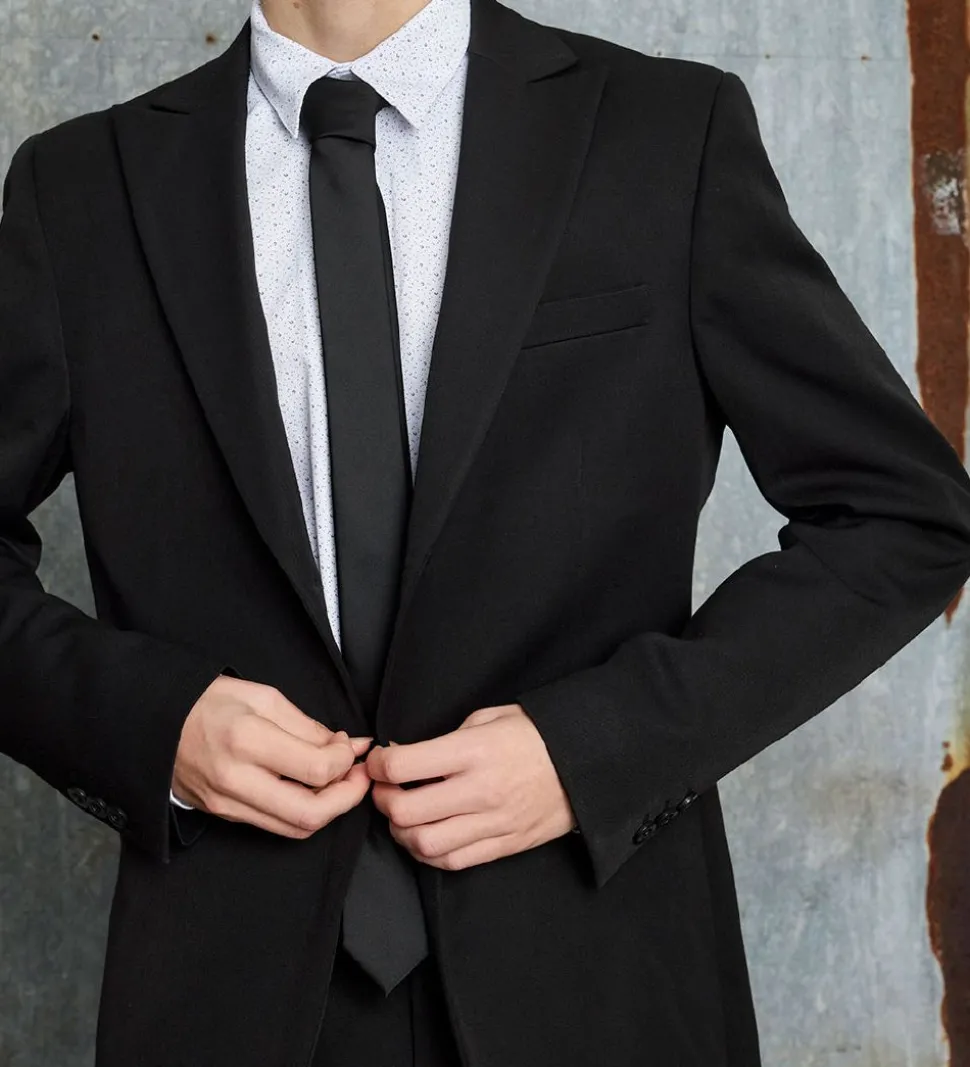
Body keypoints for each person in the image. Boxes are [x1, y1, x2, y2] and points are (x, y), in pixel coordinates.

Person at [3, 0, 970, 1062]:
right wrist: (153, 727)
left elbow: (901, 514)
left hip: (596, 970)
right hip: (227, 991)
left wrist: (594, 750)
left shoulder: (662, 132)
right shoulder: (80, 186)